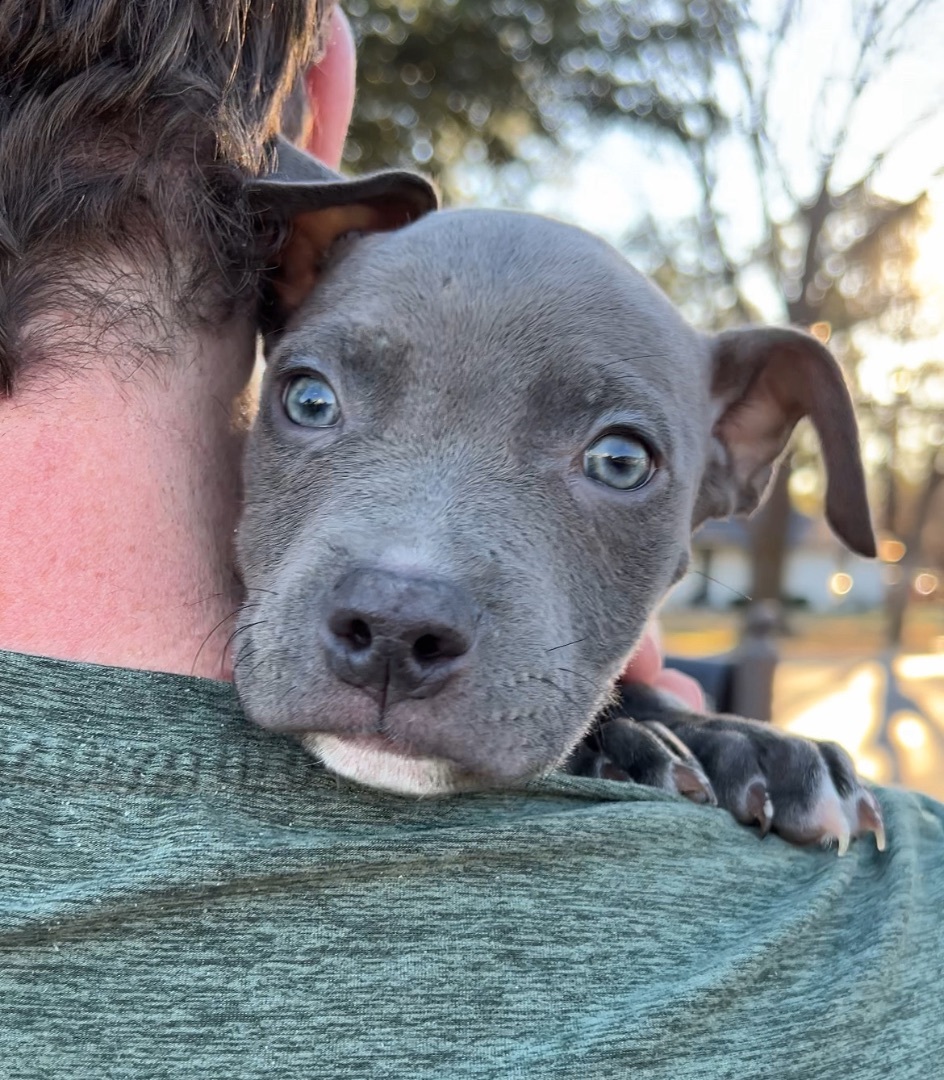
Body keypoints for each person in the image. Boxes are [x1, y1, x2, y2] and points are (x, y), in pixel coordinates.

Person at [0, 2, 940, 1077]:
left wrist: (625, 722)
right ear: (314, 114)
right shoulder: (884, 958)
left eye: (617, 459)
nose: (404, 596)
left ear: (734, 442)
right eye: (311, 400)